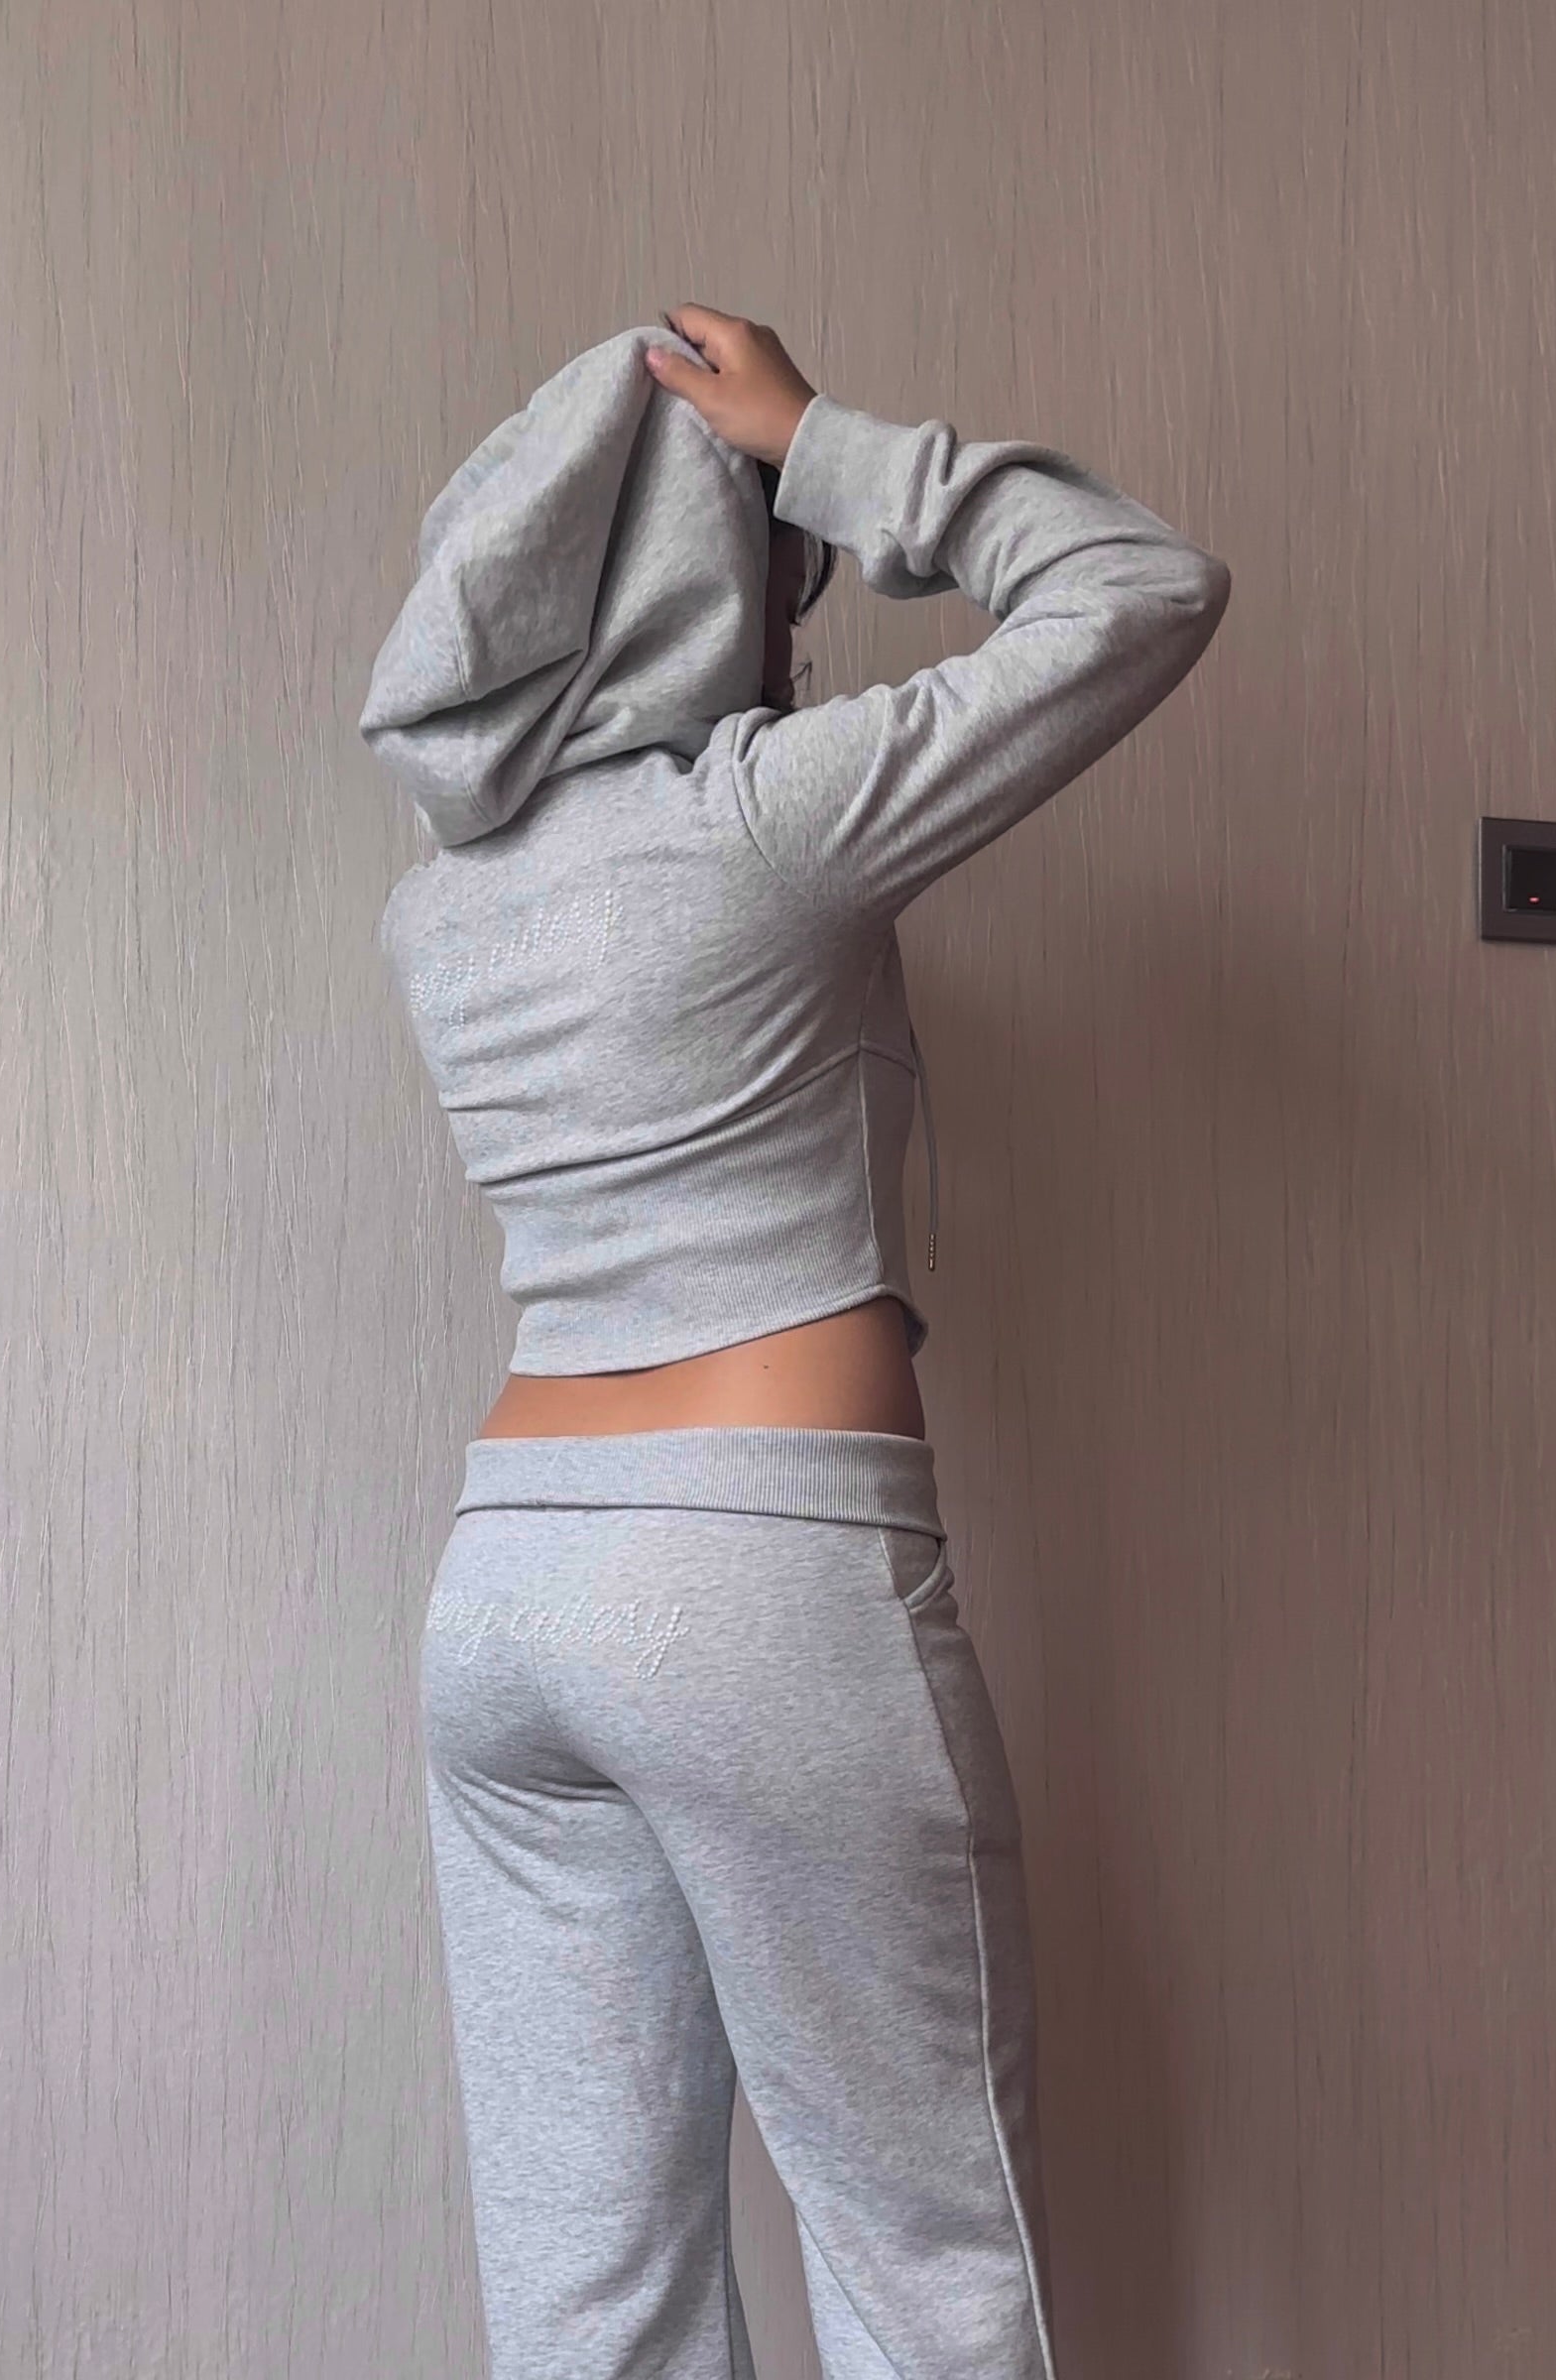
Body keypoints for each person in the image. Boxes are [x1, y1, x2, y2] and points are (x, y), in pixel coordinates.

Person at [358, 305, 1231, 2379]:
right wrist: (822, 437)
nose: (804, 614)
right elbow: (1142, 589)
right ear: (705, 573)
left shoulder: (438, 910)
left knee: (588, 2296)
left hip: (507, 1596)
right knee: (928, 2262)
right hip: (756, 1579)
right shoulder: (764, 815)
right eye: (785, 568)